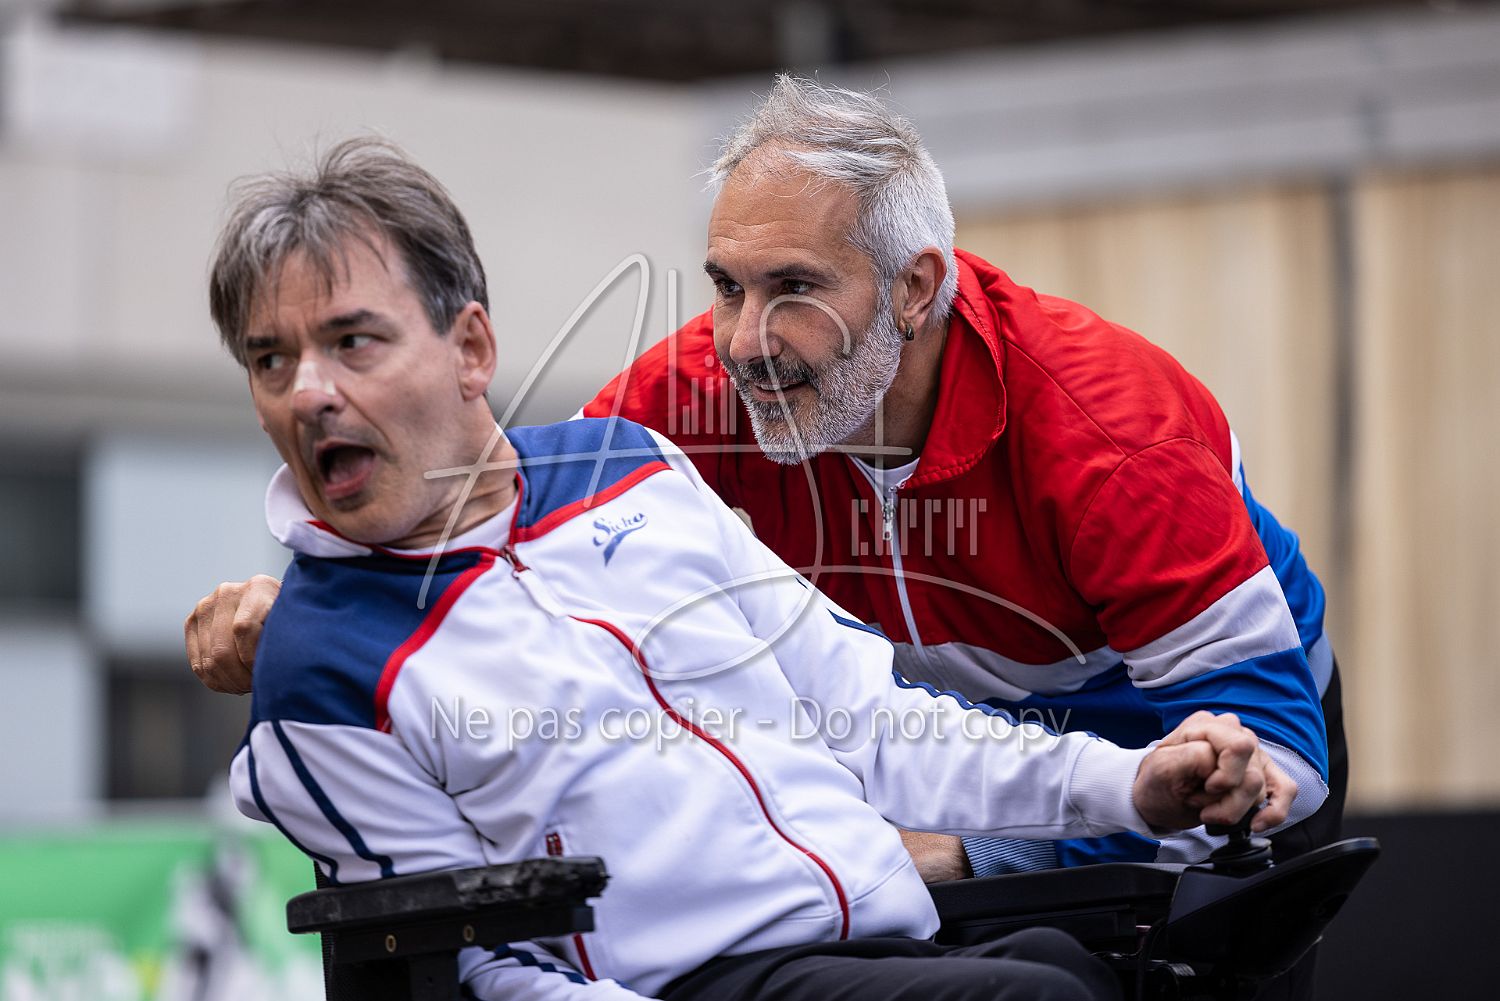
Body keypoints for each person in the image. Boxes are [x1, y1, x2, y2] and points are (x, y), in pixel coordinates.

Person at [210, 138, 1292, 1001]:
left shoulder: (623, 465)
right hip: (710, 978)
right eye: (270, 359)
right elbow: (468, 972)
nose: (308, 392)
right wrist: (298, 614)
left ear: (473, 350)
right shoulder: (324, 668)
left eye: (353, 341)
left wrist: (1127, 783)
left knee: (1088, 969)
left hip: (892, 922)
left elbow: (875, 720)